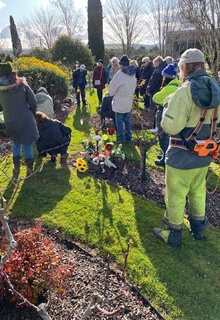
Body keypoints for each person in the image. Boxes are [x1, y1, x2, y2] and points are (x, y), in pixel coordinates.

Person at [153, 48, 220, 247]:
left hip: (181, 157)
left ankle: (172, 233)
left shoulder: (184, 91)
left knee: (176, 194)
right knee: (198, 191)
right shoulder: (216, 89)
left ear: (184, 67)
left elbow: (170, 126)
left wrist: (167, 107)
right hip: (203, 156)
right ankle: (198, 229)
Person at [0, 62, 39, 176]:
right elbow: (34, 102)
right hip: (26, 118)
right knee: (27, 144)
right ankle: (29, 170)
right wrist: (32, 113)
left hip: (10, 120)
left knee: (16, 143)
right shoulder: (23, 85)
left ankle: (16, 168)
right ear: (13, 73)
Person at [152, 62, 181, 166]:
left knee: (163, 137)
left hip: (165, 114)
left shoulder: (170, 88)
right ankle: (165, 155)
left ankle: (165, 159)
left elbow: (156, 98)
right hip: (172, 115)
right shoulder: (177, 84)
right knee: (168, 137)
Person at [108, 55, 137, 143]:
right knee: (127, 121)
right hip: (128, 101)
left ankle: (121, 139)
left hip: (120, 102)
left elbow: (111, 90)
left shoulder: (120, 74)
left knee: (119, 122)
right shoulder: (132, 74)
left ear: (121, 65)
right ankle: (128, 137)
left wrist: (112, 93)